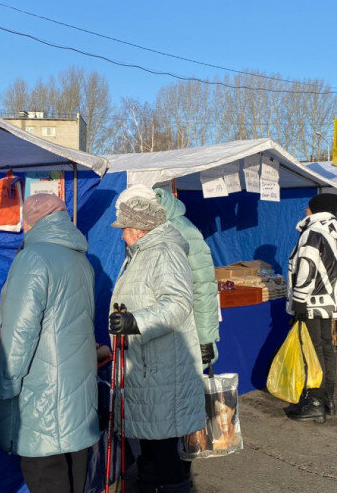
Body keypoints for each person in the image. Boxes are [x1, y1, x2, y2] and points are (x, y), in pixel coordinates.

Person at [0, 194, 98, 493]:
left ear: (29, 222)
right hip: (78, 398)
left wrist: (5, 388)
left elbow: (17, 335)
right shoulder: (81, 258)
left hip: (43, 402)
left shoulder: (33, 258)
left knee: (47, 480)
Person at [108, 186, 205, 493]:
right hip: (149, 368)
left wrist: (133, 322)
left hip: (163, 370)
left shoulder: (164, 252)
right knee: (150, 449)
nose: (122, 235)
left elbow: (177, 304)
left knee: (163, 453)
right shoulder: (141, 253)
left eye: (124, 229)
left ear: (138, 229)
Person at [284, 193, 337, 423]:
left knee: (312, 350)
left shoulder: (312, 232)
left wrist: (299, 299)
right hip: (329, 301)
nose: (305, 212)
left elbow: (307, 267)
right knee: (325, 348)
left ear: (316, 210)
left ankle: (315, 402)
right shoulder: (334, 232)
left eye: (308, 208)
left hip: (311, 301)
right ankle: (327, 398)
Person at [154, 187, 220, 367]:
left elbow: (203, 286)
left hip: (183, 329)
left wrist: (206, 338)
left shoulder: (184, 231)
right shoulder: (151, 233)